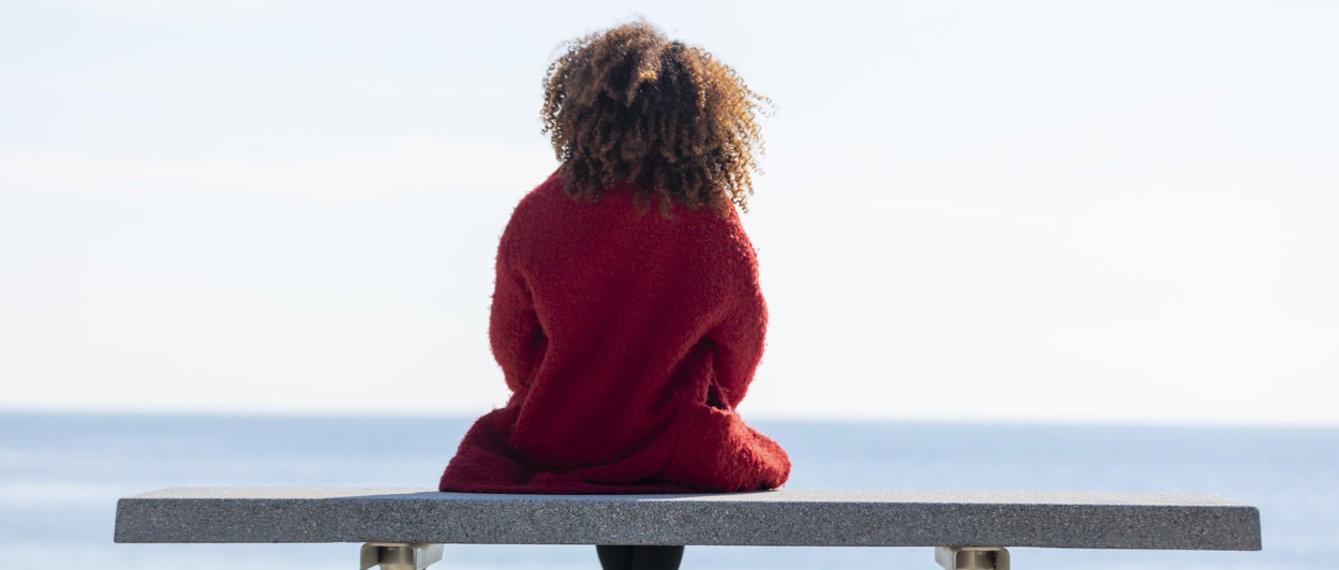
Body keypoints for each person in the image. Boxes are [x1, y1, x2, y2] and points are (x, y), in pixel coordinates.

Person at [437, 21, 790, 570]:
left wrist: (563, 393)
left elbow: (510, 342)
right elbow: (744, 339)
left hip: (567, 436)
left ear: (582, 109)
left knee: (607, 485)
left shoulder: (539, 212)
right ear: (698, 119)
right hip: (675, 439)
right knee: (677, 483)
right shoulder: (710, 216)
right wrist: (707, 400)